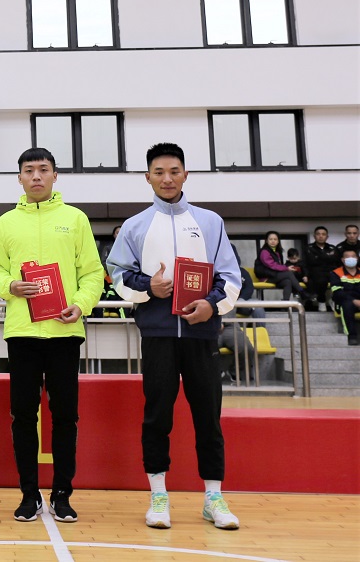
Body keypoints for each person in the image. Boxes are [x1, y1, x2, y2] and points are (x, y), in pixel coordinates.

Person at [107, 142, 242, 531]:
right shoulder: (135, 226)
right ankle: (158, 495)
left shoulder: (210, 222)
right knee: (157, 416)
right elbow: (118, 275)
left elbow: (230, 276)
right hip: (159, 336)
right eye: (159, 172)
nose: (167, 179)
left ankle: (213, 497)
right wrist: (149, 287)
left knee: (208, 417)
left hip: (202, 336)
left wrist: (211, 306)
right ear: (147, 177)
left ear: (185, 175)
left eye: (174, 171)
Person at [0, 147, 103, 524]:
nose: (36, 176)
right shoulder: (6, 222)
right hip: (22, 332)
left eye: (43, 169)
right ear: (19, 177)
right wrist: (9, 286)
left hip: (65, 332)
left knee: (65, 416)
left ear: (55, 175)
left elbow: (92, 273)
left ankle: (62, 493)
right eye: (29, 170)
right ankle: (29, 494)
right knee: (23, 415)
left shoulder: (75, 219)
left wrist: (81, 304)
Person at [254, 231, 309, 302]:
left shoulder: (277, 252)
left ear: (278, 241)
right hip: (266, 277)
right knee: (288, 273)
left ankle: (285, 303)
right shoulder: (264, 251)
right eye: (270, 239)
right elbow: (272, 265)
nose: (273, 241)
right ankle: (302, 292)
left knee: (287, 281)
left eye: (275, 239)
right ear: (266, 241)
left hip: (274, 276)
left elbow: (279, 265)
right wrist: (286, 268)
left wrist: (285, 268)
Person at [304, 226, 340, 311]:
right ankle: (321, 301)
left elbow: (336, 262)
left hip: (331, 271)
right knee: (321, 279)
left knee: (341, 280)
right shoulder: (308, 248)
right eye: (318, 234)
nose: (321, 236)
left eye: (323, 234)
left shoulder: (332, 248)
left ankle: (334, 299)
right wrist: (305, 275)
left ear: (327, 237)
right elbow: (306, 263)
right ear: (314, 236)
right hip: (316, 273)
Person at [330, 249, 360, 345]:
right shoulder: (336, 273)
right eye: (347, 256)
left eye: (353, 256)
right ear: (343, 260)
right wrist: (354, 300)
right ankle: (352, 336)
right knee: (347, 306)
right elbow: (337, 292)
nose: (351, 258)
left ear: (357, 258)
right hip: (344, 301)